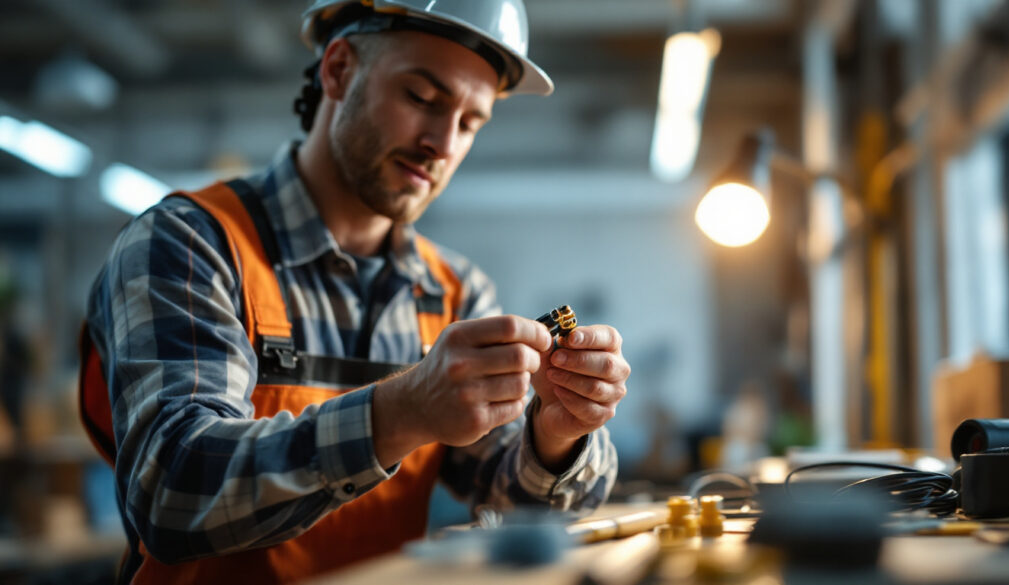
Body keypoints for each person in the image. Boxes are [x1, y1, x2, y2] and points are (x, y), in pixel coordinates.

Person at [80, 1, 630, 583]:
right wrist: (403, 410)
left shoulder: (455, 291)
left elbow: (518, 508)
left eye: (470, 123)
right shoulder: (190, 244)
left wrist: (557, 437)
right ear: (338, 69)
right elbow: (172, 492)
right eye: (421, 98)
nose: (442, 143)